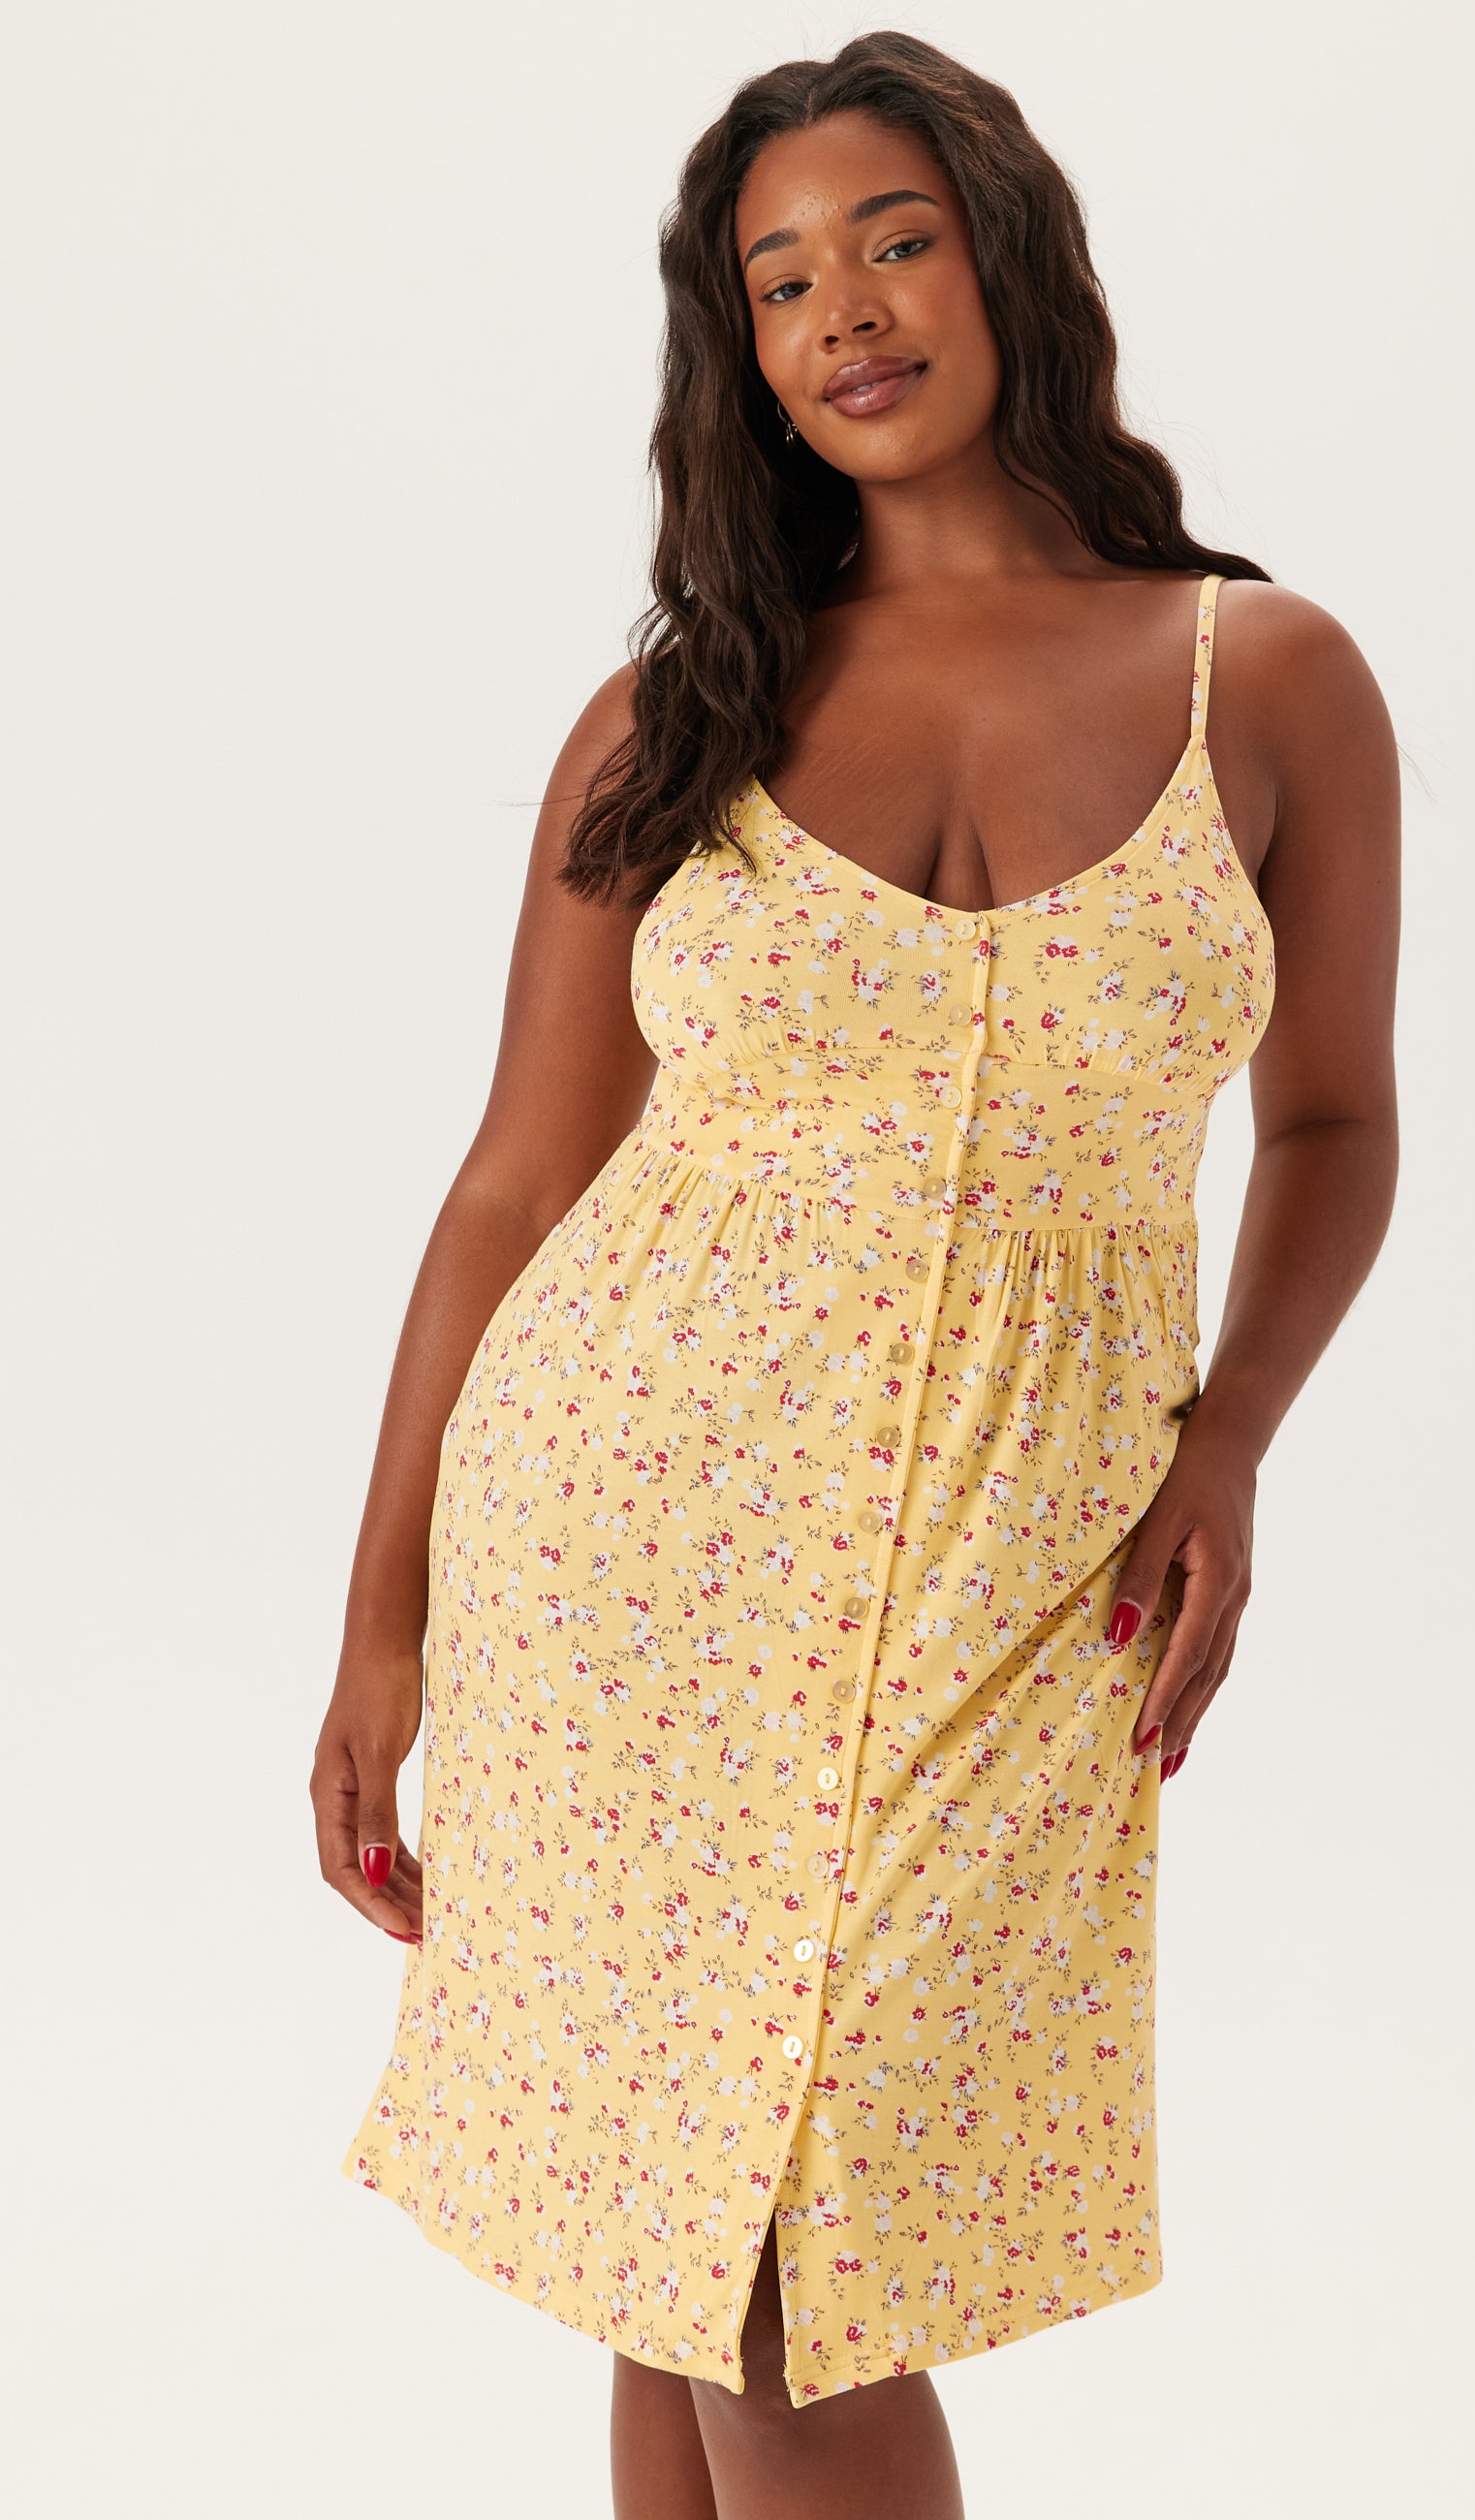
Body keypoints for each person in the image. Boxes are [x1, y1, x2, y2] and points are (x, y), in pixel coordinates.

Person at [312, 30, 1399, 2520]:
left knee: (797, 2255)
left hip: (1029, 1562)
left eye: (893, 242)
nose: (847, 312)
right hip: (629, 1557)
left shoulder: (1266, 681)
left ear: (1005, 258)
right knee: (681, 2245)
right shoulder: (677, 714)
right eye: (781, 281)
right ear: (745, 354)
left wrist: (1233, 1436)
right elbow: (513, 1188)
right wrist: (385, 1625)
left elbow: (1335, 1120)